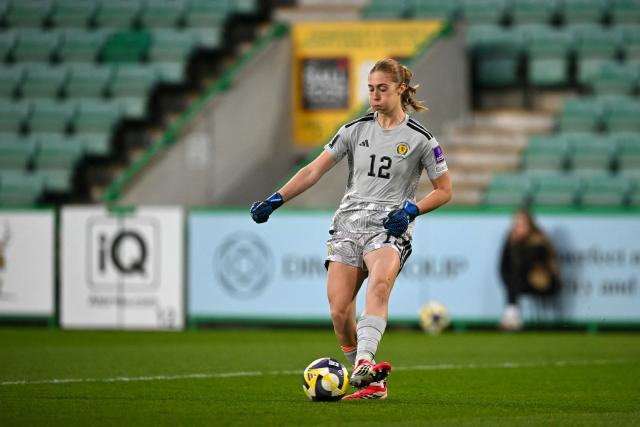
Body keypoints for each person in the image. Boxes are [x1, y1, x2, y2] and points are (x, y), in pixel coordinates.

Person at [250, 58, 452, 400]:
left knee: (380, 283)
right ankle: (370, 380)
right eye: (371, 88)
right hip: (347, 223)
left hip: (390, 225)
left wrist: (412, 209)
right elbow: (314, 170)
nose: (374, 95)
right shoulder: (354, 129)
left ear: (400, 90)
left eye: (382, 89)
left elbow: (445, 190)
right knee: (339, 309)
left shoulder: (421, 139)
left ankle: (363, 362)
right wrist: (276, 199)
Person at [499, 208, 561, 331]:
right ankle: (512, 319)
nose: (519, 228)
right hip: (519, 281)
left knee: (515, 280)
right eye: (517, 224)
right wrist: (507, 282)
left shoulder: (539, 240)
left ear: (530, 225)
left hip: (542, 281)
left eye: (522, 224)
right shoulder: (510, 240)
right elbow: (502, 265)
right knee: (513, 281)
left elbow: (527, 266)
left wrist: (520, 244)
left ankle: (511, 319)